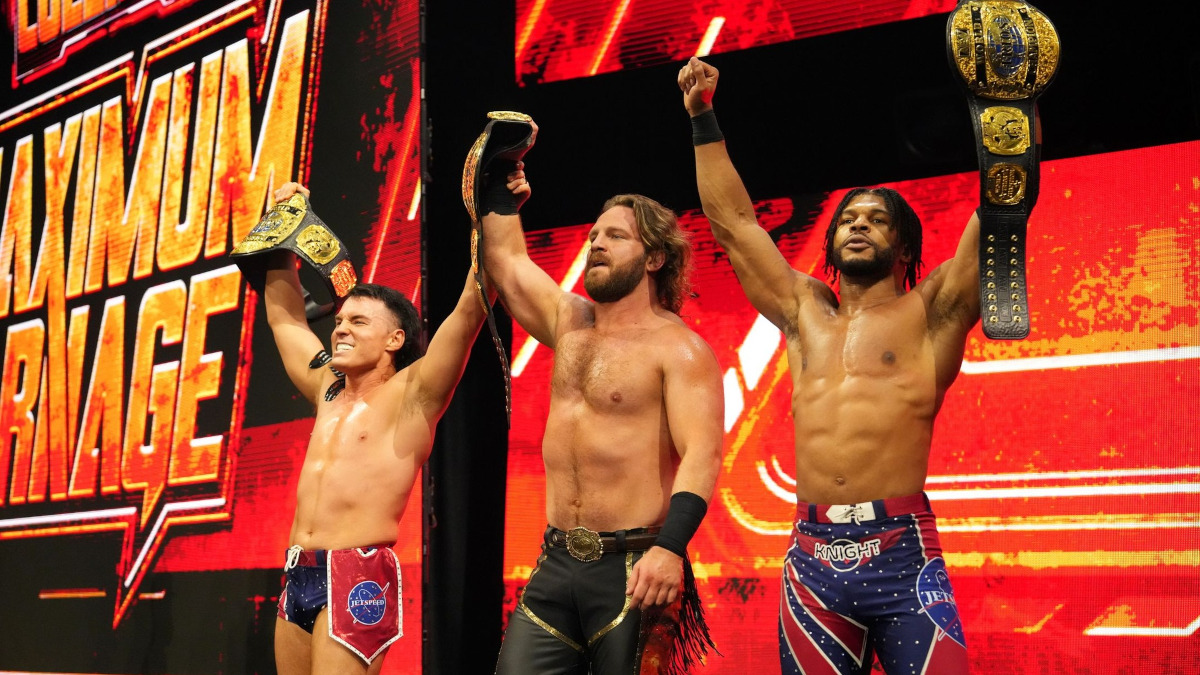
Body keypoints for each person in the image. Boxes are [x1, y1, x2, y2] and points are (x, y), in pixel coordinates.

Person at [679, 56, 978, 674]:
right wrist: (703, 118)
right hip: (812, 559)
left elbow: (1000, 218)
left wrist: (1014, 118)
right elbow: (734, 226)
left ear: (905, 246)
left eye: (876, 220)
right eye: (848, 219)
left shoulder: (934, 310)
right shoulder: (802, 311)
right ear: (832, 242)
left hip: (903, 556)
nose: (858, 225)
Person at [482, 143, 724, 673]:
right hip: (555, 562)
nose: (596, 244)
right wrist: (500, 187)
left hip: (635, 568)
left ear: (655, 258)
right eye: (593, 235)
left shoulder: (679, 349)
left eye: (615, 236)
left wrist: (671, 549)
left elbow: (702, 455)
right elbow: (507, 263)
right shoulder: (570, 324)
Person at [255, 182, 497, 675]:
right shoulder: (327, 386)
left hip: (357, 575)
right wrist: (280, 233)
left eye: (358, 322)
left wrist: (495, 211)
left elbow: (470, 310)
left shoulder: (413, 395)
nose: (340, 328)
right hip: (298, 571)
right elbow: (286, 322)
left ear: (395, 339)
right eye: (340, 320)